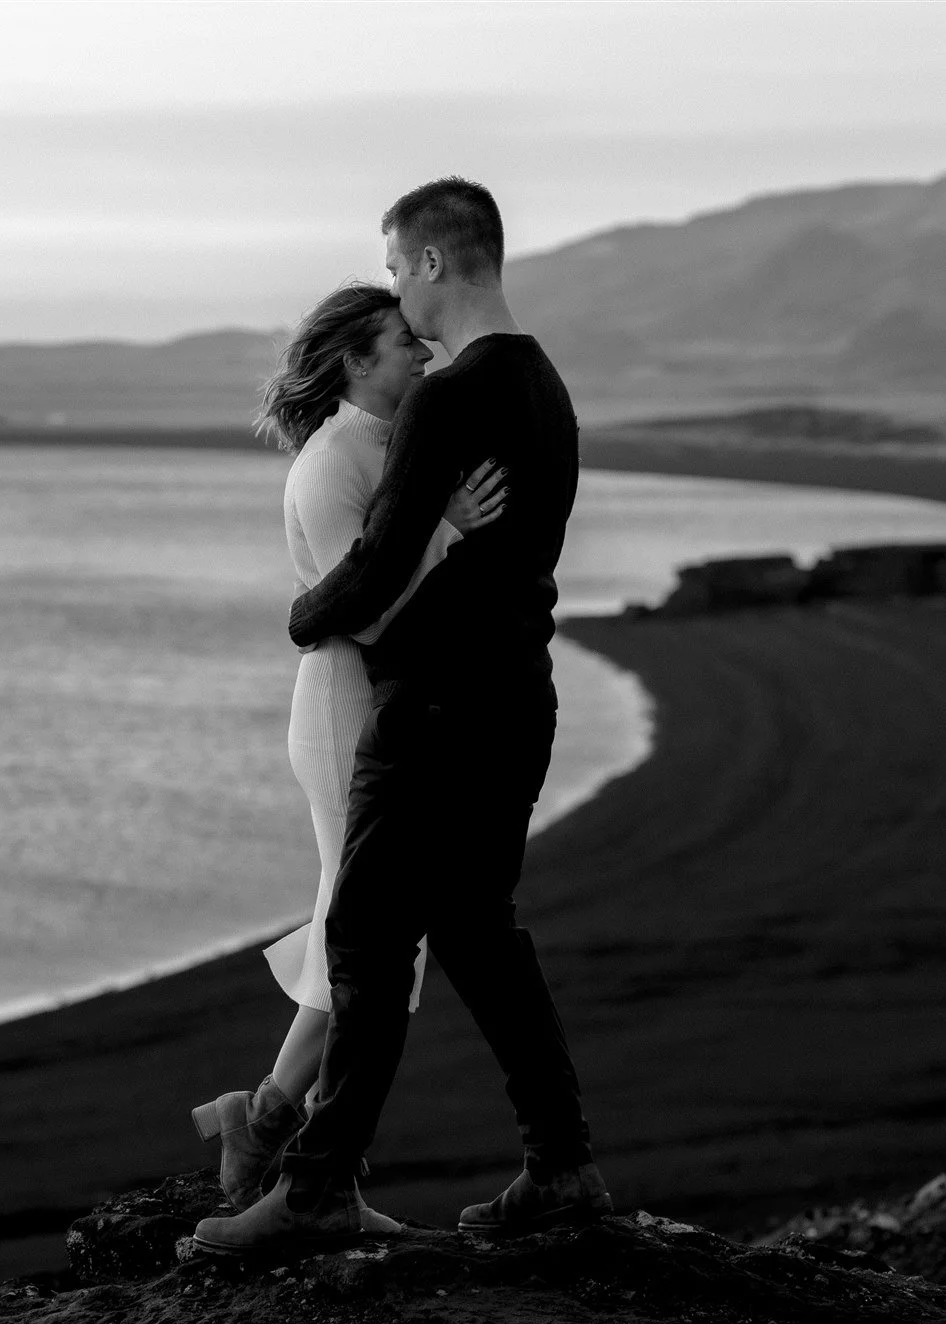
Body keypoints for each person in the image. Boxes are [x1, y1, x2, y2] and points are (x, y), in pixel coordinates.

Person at [194, 177, 612, 1260]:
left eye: (392, 266)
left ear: (429, 262)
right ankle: (560, 1166)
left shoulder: (449, 395)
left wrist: (301, 616)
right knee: (478, 930)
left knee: (370, 945)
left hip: (430, 708)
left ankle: (316, 1186)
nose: (393, 290)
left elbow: (376, 567)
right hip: (520, 697)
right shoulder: (545, 387)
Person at [189, 282, 507, 1212]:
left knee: (368, 931)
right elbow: (361, 609)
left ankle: (279, 1124)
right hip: (344, 710)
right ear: (356, 362)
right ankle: (288, 1135)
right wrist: (452, 528)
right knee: (369, 937)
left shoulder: (385, 444)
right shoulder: (332, 462)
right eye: (404, 342)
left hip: (388, 708)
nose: (425, 354)